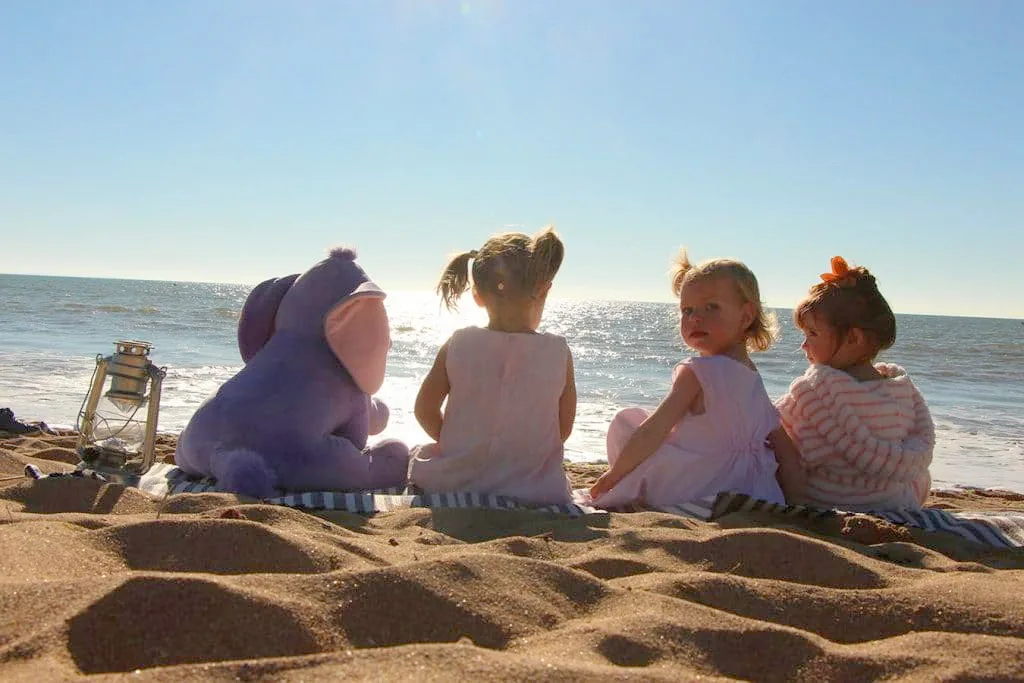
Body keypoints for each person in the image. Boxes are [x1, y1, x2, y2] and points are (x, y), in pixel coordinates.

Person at [589, 249, 791, 507]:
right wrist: (796, 496)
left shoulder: (698, 372)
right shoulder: (752, 375)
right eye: (687, 310)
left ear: (746, 315)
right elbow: (782, 444)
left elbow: (654, 429)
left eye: (711, 307)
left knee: (626, 423)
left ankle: (632, 485)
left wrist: (614, 475)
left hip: (698, 483)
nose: (695, 318)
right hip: (753, 486)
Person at [407, 227, 576, 504]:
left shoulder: (458, 343)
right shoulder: (557, 351)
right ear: (544, 289)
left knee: (416, 453)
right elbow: (563, 428)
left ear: (476, 294)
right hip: (535, 488)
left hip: (454, 481)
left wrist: (459, 446)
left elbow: (424, 409)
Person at [774, 256, 934, 511]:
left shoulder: (811, 394)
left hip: (830, 501)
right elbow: (919, 440)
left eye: (812, 334)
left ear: (852, 338)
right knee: (921, 477)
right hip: (896, 504)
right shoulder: (901, 391)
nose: (804, 345)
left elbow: (776, 433)